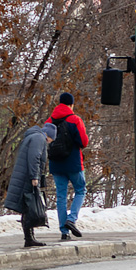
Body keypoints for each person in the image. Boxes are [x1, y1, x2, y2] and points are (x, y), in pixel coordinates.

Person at [6, 121, 56, 247]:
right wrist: (35, 176)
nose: (49, 142)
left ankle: (29, 237)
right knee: (29, 207)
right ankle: (29, 238)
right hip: (28, 177)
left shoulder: (32, 136)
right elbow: (34, 158)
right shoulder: (39, 138)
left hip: (23, 176)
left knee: (26, 207)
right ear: (48, 135)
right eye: (50, 139)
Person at [47, 93, 89, 242]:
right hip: (73, 163)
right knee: (80, 189)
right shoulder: (75, 119)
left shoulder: (50, 120)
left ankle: (64, 232)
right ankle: (71, 219)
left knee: (61, 196)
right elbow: (84, 141)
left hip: (56, 164)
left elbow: (45, 139)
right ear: (71, 105)